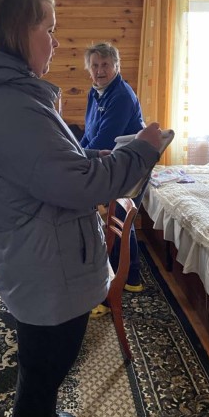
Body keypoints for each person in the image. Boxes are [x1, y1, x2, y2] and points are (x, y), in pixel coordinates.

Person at [0, 0, 163, 417]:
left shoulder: (12, 95)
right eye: (47, 30)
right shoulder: (14, 105)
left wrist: (100, 154)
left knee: (45, 356)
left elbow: (54, 163)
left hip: (39, 253)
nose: (55, 41)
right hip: (42, 261)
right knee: (48, 359)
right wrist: (143, 150)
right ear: (18, 31)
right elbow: (79, 184)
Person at [80, 42, 146, 300]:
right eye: (94, 65)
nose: (99, 70)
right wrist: (77, 153)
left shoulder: (120, 96)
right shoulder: (95, 91)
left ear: (116, 66)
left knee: (120, 220)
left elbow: (105, 140)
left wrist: (80, 158)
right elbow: (89, 134)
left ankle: (123, 278)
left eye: (105, 65)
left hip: (131, 165)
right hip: (113, 162)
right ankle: (129, 277)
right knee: (120, 220)